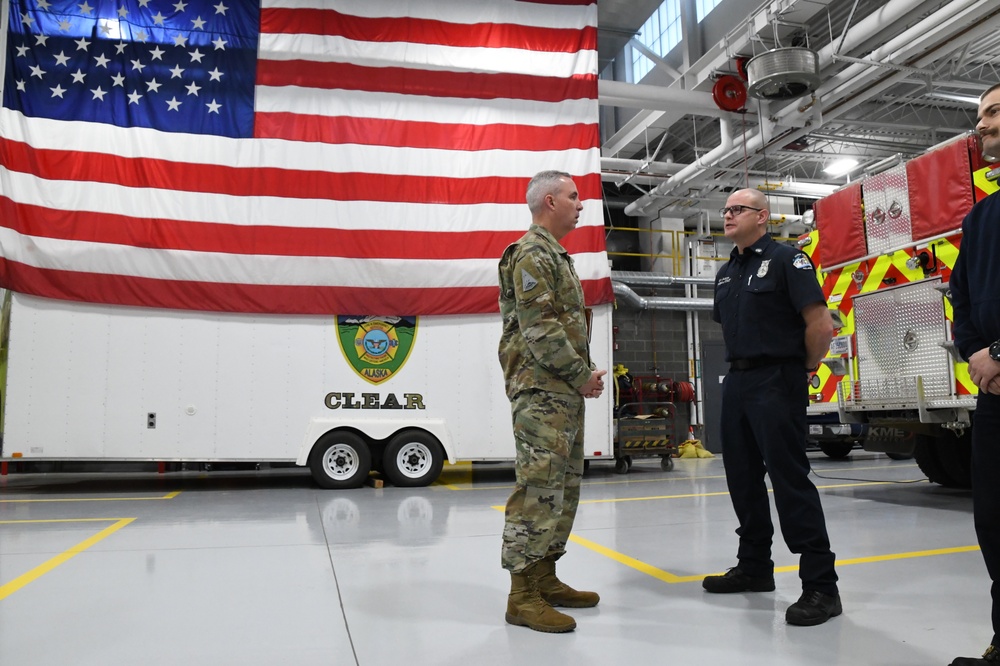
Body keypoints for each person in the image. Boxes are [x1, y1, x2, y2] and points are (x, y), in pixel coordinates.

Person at [705, 188, 841, 626]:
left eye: (737, 209)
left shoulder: (788, 260)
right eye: (725, 210)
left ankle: (821, 586)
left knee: (788, 479)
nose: (728, 215)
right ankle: (755, 567)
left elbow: (820, 324)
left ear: (762, 216)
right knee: (741, 477)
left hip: (777, 379)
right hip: (739, 382)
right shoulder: (726, 273)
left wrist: (803, 366)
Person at [497, 170, 607, 633]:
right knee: (539, 488)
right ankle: (521, 596)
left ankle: (544, 577)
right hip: (543, 391)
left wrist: (579, 379)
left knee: (563, 489)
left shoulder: (557, 257)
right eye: (573, 196)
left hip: (560, 391)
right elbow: (541, 330)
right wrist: (583, 376)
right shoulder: (531, 254)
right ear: (549, 201)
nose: (580, 204)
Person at [946, 82, 1000, 666]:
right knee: (993, 518)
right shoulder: (983, 216)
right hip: (994, 392)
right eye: (980, 115)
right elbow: (961, 296)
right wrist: (976, 355)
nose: (980, 125)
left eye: (992, 113)